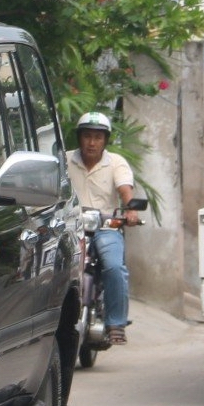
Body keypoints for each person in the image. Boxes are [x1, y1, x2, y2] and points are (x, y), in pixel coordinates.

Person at [66, 111, 138, 345]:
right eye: (87, 136)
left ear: (105, 140)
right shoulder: (65, 160)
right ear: (79, 138)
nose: (92, 142)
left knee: (115, 267)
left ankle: (116, 323)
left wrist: (130, 209)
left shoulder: (116, 162)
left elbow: (125, 188)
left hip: (106, 227)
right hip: (71, 228)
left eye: (97, 137)